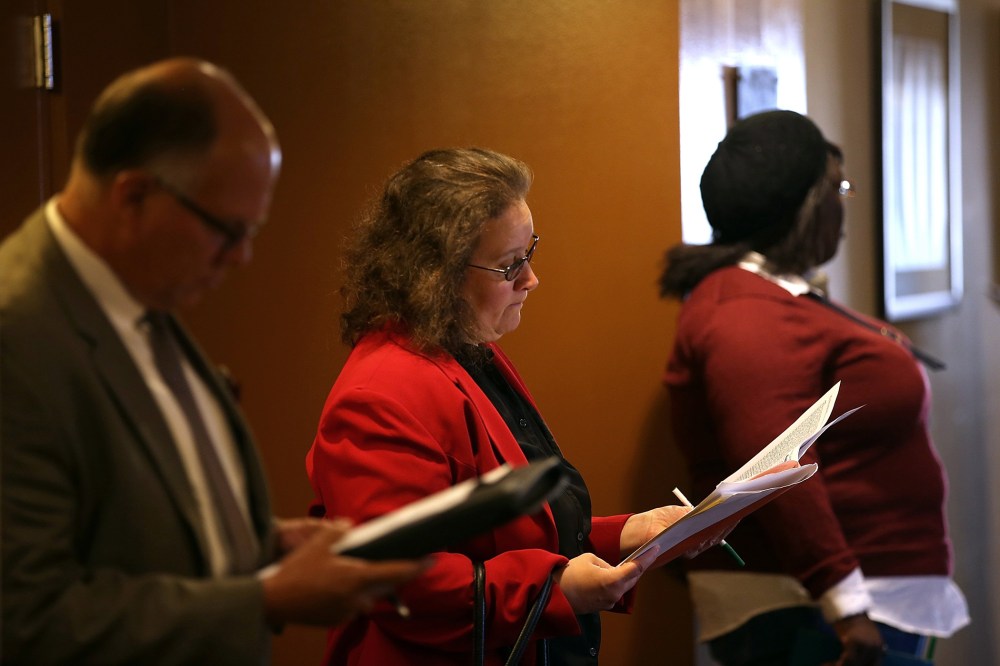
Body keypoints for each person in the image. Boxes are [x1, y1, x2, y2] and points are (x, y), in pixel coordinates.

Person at [0, 58, 426, 665]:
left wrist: (260, 542)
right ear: (135, 195)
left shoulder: (138, 288)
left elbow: (128, 521)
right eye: (228, 230)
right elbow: (28, 619)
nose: (243, 257)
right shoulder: (19, 337)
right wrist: (264, 598)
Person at [305, 147, 716, 665]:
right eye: (508, 265)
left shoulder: (471, 348)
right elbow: (404, 583)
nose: (530, 279)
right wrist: (556, 589)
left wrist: (628, 534)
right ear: (434, 273)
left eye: (530, 252)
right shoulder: (379, 396)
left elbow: (504, 534)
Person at [658, 110, 969, 666]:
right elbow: (774, 462)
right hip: (813, 612)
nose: (843, 205)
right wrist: (845, 604)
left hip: (854, 598)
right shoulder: (743, 313)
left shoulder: (770, 296)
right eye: (837, 188)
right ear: (806, 204)